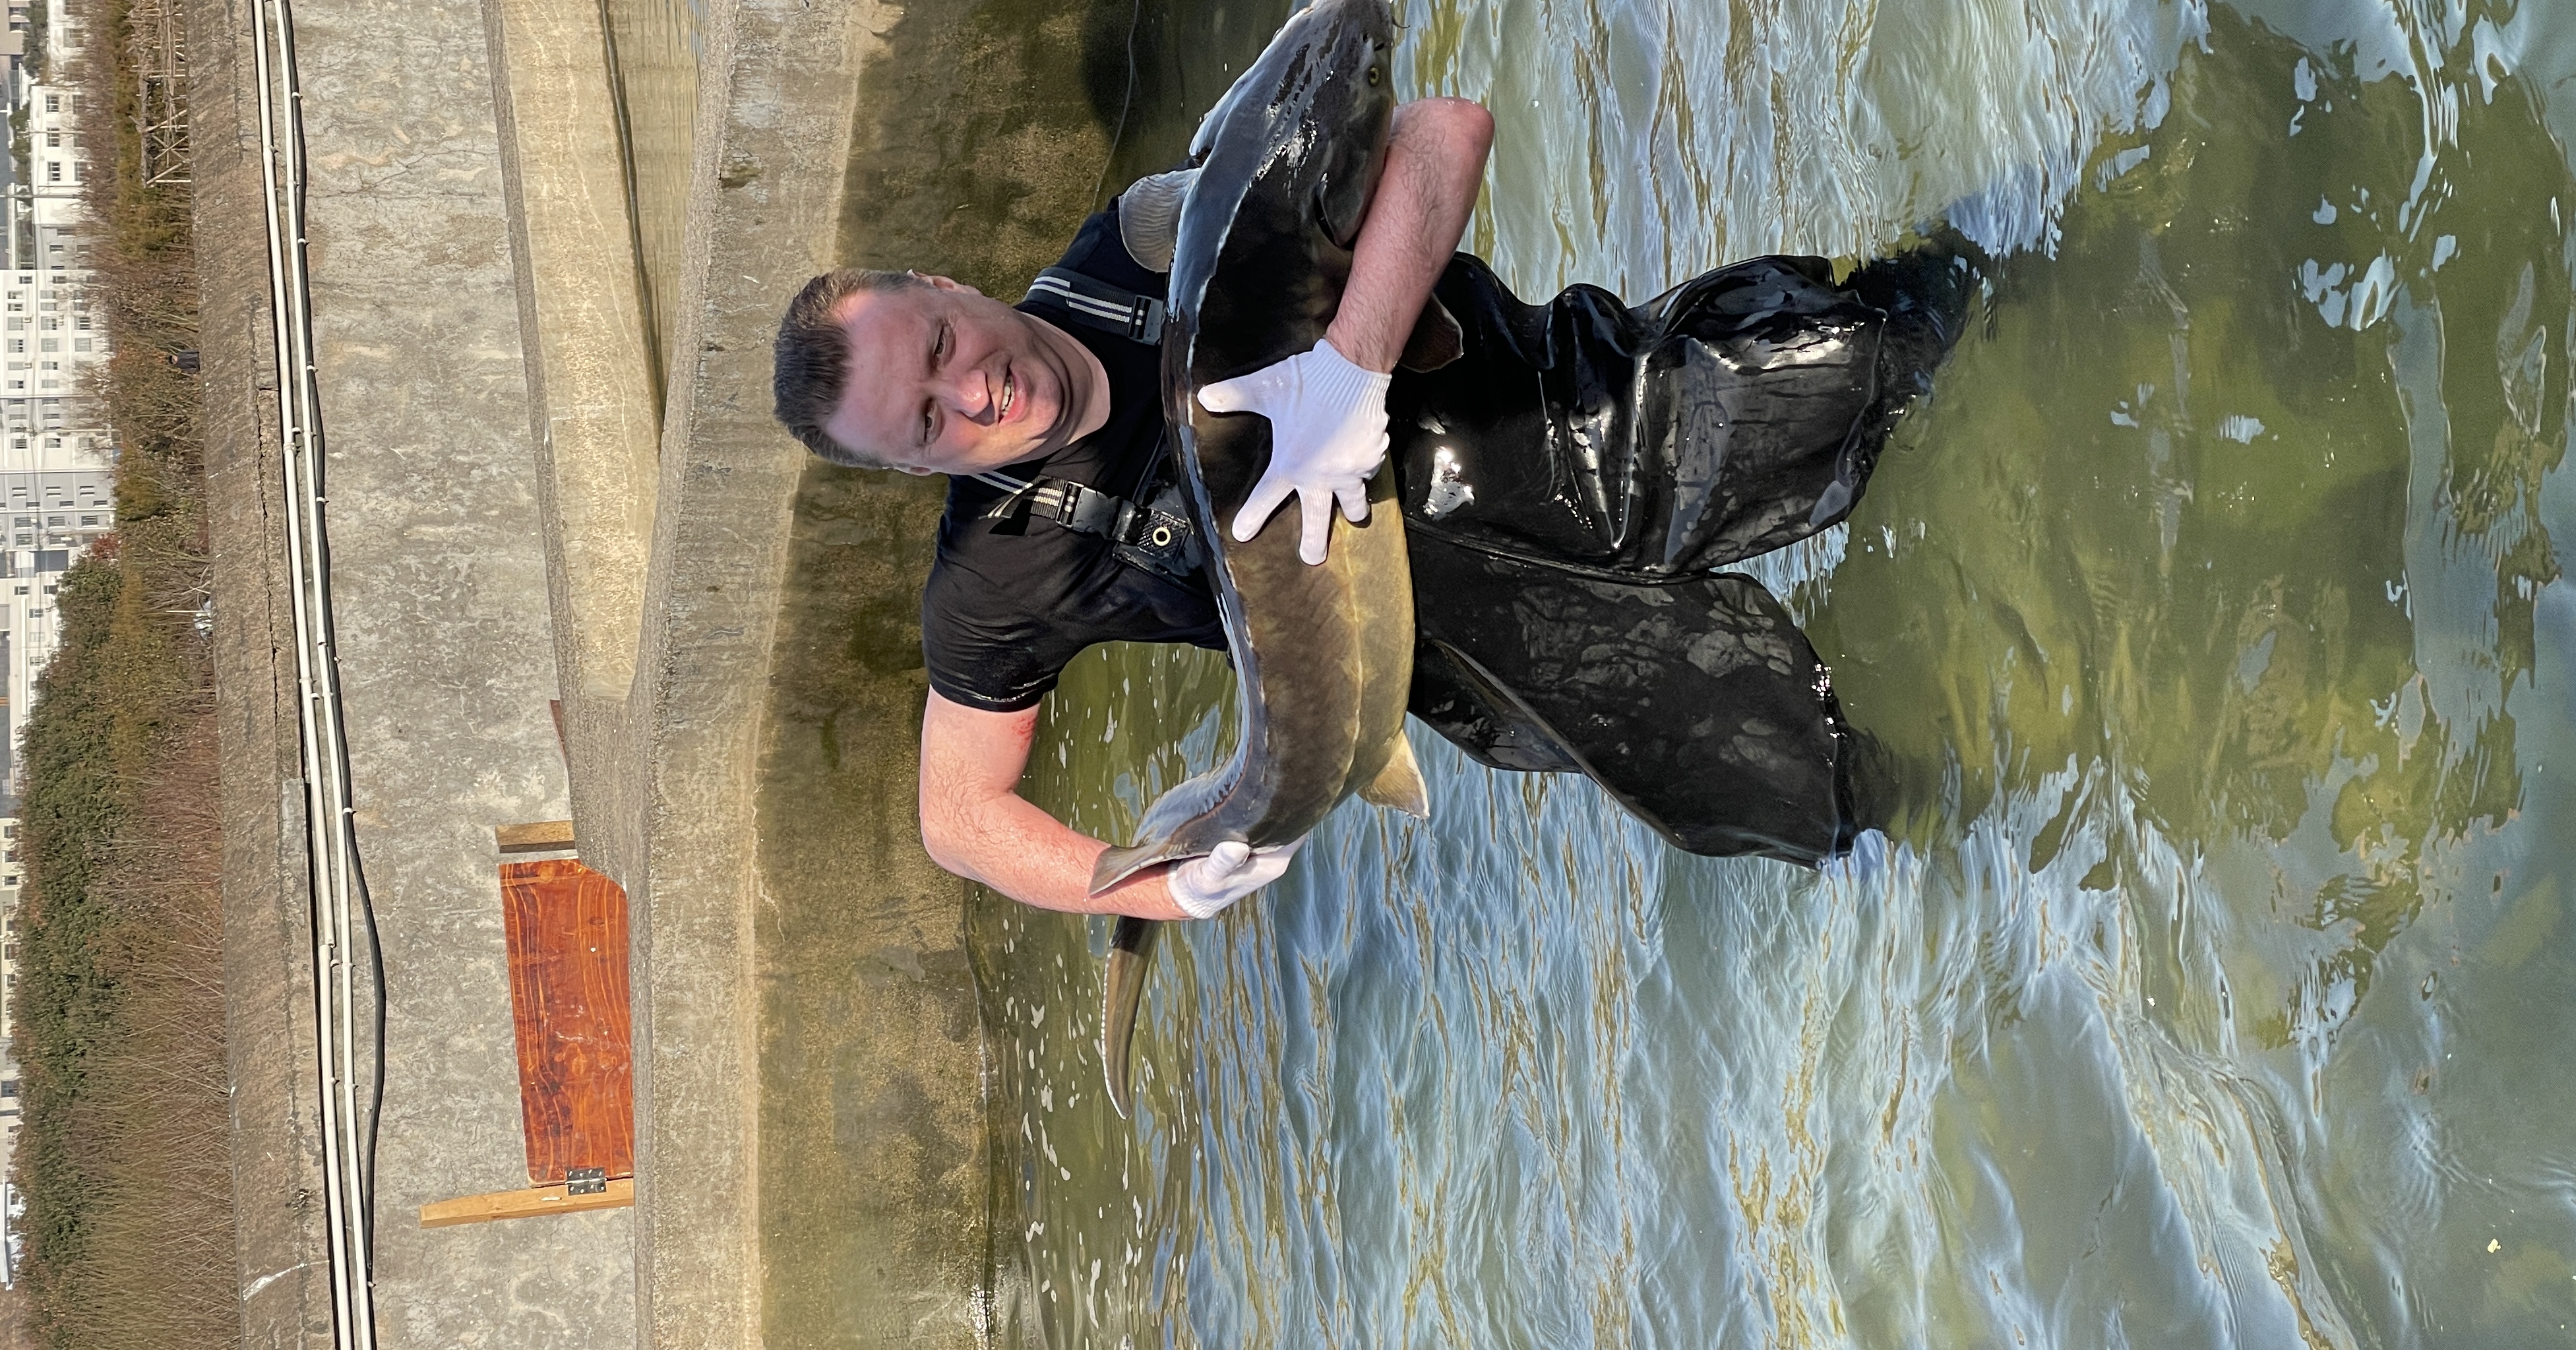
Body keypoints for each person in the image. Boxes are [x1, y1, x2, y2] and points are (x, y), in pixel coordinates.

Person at [773, 99, 1971, 927]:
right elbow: (954, 816)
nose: (972, 390)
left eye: (939, 345)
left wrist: (1348, 366)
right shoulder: (999, 577)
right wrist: (1155, 889)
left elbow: (1442, 137)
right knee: (1873, 802)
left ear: (942, 284)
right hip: (1531, 674)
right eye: (927, 423)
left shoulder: (1154, 242)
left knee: (1950, 335)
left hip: (1613, 425)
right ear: (912, 471)